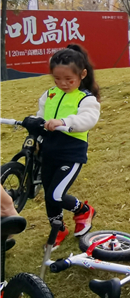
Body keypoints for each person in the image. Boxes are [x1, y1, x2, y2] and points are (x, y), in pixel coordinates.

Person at [30, 45, 101, 249]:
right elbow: (41, 116)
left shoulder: (86, 98)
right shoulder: (49, 94)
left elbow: (87, 119)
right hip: (48, 152)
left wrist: (63, 122)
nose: (62, 83)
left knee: (56, 194)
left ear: (82, 74)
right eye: (57, 79)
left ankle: (83, 210)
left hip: (71, 154)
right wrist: (34, 122)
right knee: (49, 196)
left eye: (69, 79)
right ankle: (58, 229)